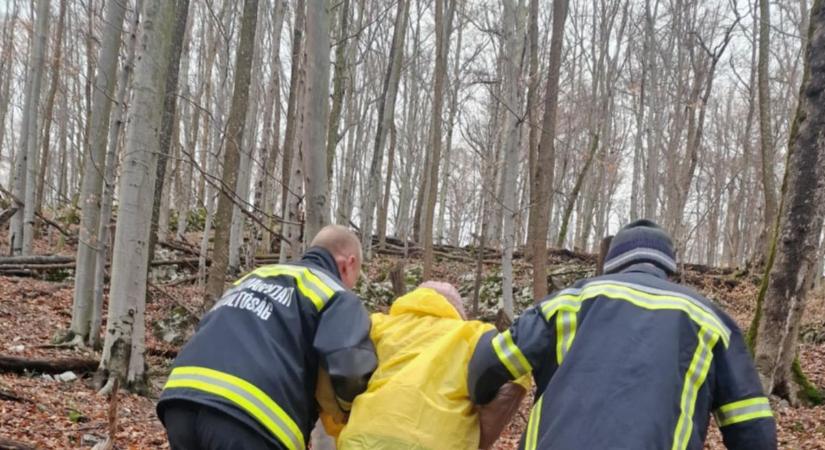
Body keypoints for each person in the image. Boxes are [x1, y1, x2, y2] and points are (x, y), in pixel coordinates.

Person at [468, 219, 777, 450]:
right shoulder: (709, 321)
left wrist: (479, 399)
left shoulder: (568, 303)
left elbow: (487, 365)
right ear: (670, 267)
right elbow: (753, 428)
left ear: (610, 263)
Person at [157, 225, 377, 450]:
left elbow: (208, 325)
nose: (351, 286)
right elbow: (350, 367)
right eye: (355, 279)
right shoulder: (335, 293)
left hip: (180, 401)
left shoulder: (255, 277)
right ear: (348, 263)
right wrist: (352, 415)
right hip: (249, 417)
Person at [330, 281, 529, 450]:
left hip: (360, 439)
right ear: (457, 310)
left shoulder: (377, 325)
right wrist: (480, 437)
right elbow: (516, 376)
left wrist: (342, 422)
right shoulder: (474, 334)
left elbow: (342, 364)